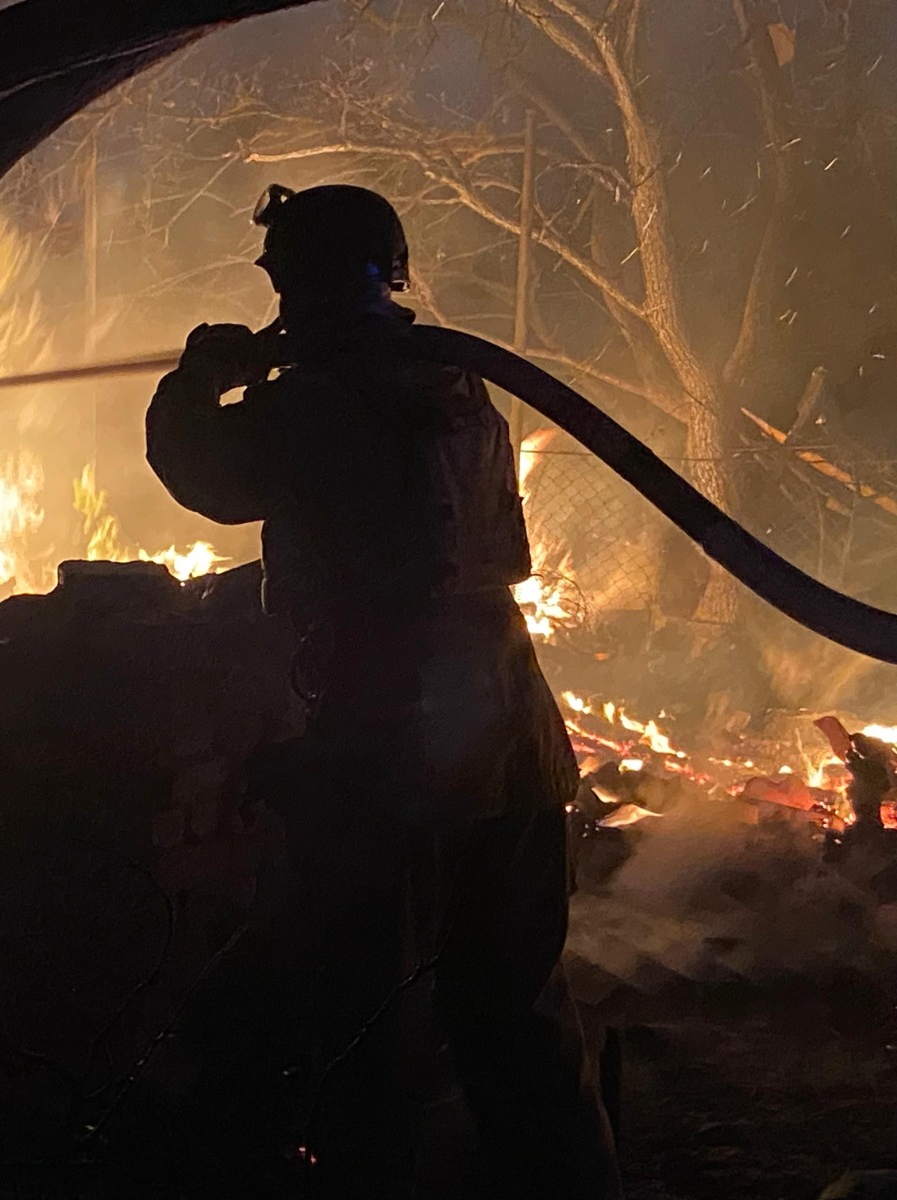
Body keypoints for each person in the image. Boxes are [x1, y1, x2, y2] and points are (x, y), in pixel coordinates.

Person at [146, 184, 622, 1198]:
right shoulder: (451, 380)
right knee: (514, 1016)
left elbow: (206, 473)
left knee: (360, 1021)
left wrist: (196, 380)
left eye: (284, 281)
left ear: (300, 282)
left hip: (391, 741)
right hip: (509, 727)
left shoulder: (320, 401)